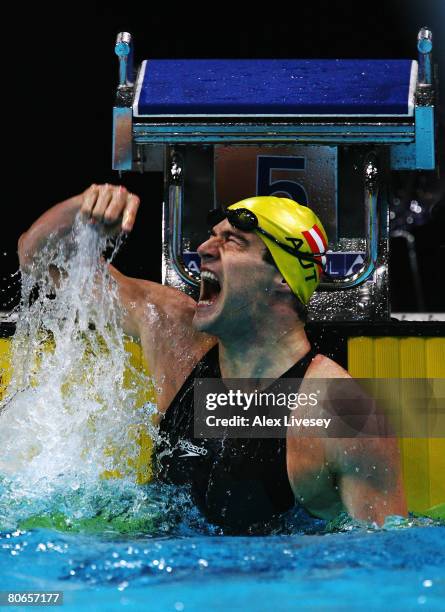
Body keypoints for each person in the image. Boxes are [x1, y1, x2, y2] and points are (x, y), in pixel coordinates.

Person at [18, 183, 407, 532]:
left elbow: (385, 565)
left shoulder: (343, 415)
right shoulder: (174, 336)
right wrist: (82, 213)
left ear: (285, 278)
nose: (203, 249)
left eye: (233, 241)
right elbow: (38, 259)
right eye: (211, 237)